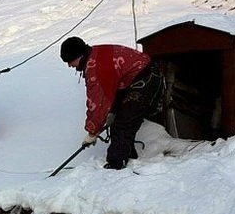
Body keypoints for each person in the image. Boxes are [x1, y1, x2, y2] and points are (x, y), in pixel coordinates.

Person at [60, 36, 162, 169]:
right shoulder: (95, 55)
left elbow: (97, 104)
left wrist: (92, 132)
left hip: (145, 78)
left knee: (123, 122)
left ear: (79, 55)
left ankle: (115, 166)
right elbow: (110, 91)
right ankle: (128, 156)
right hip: (132, 79)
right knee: (119, 119)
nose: (69, 65)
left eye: (70, 61)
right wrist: (112, 112)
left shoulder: (96, 68)